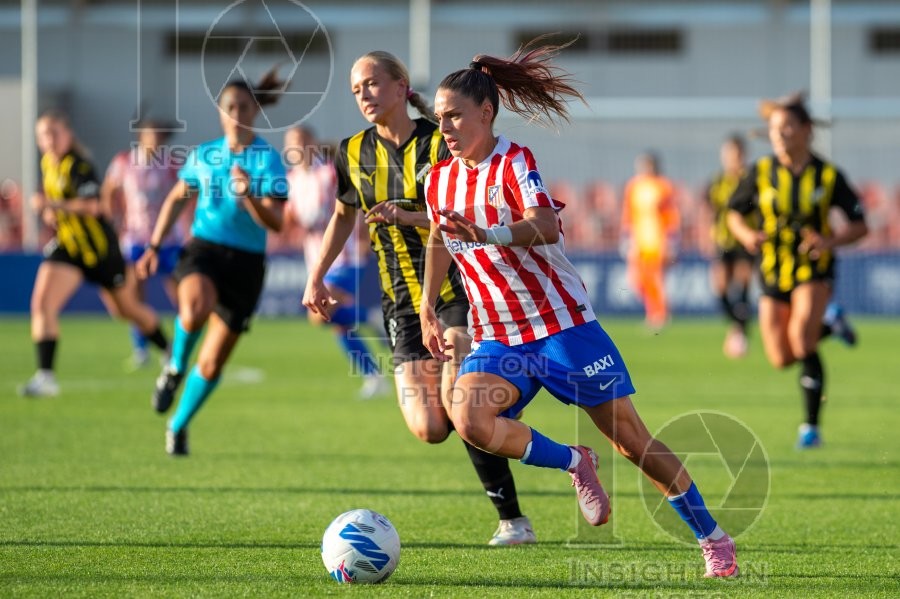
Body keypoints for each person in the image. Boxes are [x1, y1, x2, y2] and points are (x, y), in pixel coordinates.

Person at [420, 39, 739, 578]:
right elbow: (437, 238)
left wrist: (490, 232)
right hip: (499, 334)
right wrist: (429, 306)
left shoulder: (514, 161)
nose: (445, 128)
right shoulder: (440, 178)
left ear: (486, 112)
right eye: (438, 118)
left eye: (453, 116)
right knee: (470, 418)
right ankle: (575, 461)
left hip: (562, 326)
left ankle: (713, 537)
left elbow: (545, 225)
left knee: (633, 442)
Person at [302, 51, 535, 546]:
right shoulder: (351, 151)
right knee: (430, 427)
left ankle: (513, 520)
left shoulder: (440, 143)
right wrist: (316, 276)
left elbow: (464, 215)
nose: (364, 94)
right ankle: (493, 415)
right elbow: (344, 215)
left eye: (371, 83)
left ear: (400, 85)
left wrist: (408, 217)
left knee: (459, 403)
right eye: (355, 89)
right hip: (399, 301)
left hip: (457, 290)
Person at [137, 68, 288, 456]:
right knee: (194, 309)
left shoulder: (268, 161)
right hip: (204, 249)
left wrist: (251, 195)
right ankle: (172, 369)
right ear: (221, 113)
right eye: (229, 107)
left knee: (211, 364)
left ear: (255, 110)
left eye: (242, 106)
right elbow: (177, 197)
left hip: (247, 264)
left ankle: (178, 425)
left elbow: (276, 222)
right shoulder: (204, 155)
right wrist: (154, 244)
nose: (236, 113)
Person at [727, 92, 868, 449]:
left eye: (787, 127)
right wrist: (746, 234)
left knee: (802, 340)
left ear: (806, 130)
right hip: (772, 270)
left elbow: (859, 225)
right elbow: (733, 213)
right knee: (780, 357)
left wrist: (828, 241)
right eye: (775, 128)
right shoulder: (760, 172)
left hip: (813, 268)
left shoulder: (828, 175)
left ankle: (810, 428)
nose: (780, 134)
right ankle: (832, 326)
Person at [19, 110, 170, 398]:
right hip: (69, 248)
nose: (48, 140)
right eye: (43, 135)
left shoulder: (79, 165)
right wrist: (54, 216)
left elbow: (93, 206)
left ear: (67, 134)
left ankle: (168, 350)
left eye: (54, 133)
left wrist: (52, 205)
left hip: (102, 252)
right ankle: (46, 376)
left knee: (126, 311)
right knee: (42, 303)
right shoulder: (48, 164)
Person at [283, 125, 388, 399]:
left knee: (318, 314)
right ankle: (374, 376)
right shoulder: (293, 180)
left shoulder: (328, 173)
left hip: (346, 255)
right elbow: (291, 220)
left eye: (301, 141)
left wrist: (365, 238)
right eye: (291, 143)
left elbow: (354, 206)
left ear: (312, 143)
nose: (296, 147)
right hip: (317, 260)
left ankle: (374, 319)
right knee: (336, 320)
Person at [102, 119, 182, 370]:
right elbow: (108, 191)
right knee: (134, 294)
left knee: (181, 295)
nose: (155, 139)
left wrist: (186, 225)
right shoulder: (124, 162)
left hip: (167, 239)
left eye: (159, 135)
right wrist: (111, 222)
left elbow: (186, 193)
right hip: (135, 239)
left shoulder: (171, 163)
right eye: (151, 134)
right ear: (141, 135)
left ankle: (179, 348)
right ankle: (142, 347)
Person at [704, 134, 755, 358]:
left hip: (745, 240)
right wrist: (706, 236)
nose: (731, 159)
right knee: (721, 287)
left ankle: (739, 333)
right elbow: (709, 211)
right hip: (723, 241)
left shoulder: (752, 179)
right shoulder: (717, 182)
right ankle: (737, 327)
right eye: (727, 155)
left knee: (742, 284)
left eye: (735, 154)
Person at [620, 151, 680, 331]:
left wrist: (671, 239)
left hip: (657, 240)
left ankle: (659, 314)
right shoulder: (633, 186)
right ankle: (652, 312)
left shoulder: (663, 186)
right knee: (638, 281)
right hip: (638, 240)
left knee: (655, 279)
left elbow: (671, 214)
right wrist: (626, 236)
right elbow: (628, 212)